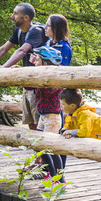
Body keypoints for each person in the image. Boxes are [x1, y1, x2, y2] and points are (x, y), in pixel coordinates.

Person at [0, 3, 47, 127]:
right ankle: (32, 147)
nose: (12, 16)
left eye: (16, 14)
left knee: (41, 126)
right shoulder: (18, 31)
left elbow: (22, 51)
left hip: (39, 88)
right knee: (31, 125)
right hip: (28, 85)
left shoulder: (36, 32)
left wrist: (3, 68)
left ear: (26, 17)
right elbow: (3, 50)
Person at [28, 14, 73, 181]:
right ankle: (51, 174)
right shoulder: (48, 44)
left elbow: (61, 71)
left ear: (56, 28)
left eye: (47, 26)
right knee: (43, 144)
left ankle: (59, 177)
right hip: (43, 109)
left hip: (56, 102)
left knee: (53, 144)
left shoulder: (64, 46)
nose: (44, 28)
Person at [59, 88, 101, 201]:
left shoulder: (84, 114)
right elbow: (68, 123)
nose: (61, 107)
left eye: (63, 104)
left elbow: (84, 132)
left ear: (73, 105)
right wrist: (65, 130)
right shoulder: (73, 113)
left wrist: (71, 132)